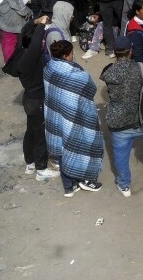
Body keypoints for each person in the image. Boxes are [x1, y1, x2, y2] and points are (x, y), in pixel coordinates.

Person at [100, 36, 143, 198]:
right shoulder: (139, 67)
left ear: (115, 53)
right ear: (131, 51)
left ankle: (124, 186)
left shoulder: (108, 72)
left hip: (118, 123)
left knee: (120, 156)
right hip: (141, 119)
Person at [43, 39, 103, 197]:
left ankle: (69, 186)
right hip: (75, 116)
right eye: (72, 53)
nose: (73, 54)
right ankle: (85, 180)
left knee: (64, 148)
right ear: (66, 55)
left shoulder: (48, 68)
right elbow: (91, 90)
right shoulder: (78, 75)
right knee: (81, 146)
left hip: (56, 115)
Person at [4, 17, 60, 181]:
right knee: (40, 134)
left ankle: (30, 163)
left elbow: (23, 33)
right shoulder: (30, 57)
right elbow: (36, 43)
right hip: (37, 100)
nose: (43, 43)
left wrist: (34, 22)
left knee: (31, 131)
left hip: (30, 99)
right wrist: (42, 25)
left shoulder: (21, 51)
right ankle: (41, 169)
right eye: (42, 41)